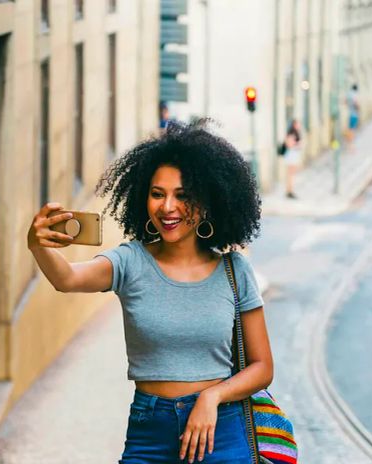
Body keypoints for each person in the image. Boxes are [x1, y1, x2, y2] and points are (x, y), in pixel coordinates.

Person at [27, 121, 273, 464]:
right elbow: (67, 278)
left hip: (221, 430)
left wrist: (212, 398)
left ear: (206, 202)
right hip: (149, 434)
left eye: (182, 195)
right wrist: (38, 246)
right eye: (158, 194)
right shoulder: (131, 261)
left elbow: (263, 367)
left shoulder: (235, 270)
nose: (167, 207)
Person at [283, 119, 303, 199]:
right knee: (290, 174)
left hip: (293, 155)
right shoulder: (291, 133)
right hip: (291, 155)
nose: (299, 126)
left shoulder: (296, 133)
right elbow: (289, 144)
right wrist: (297, 144)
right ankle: (289, 191)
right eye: (298, 124)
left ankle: (290, 190)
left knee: (292, 174)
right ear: (294, 125)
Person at [344, 84, 360, 151]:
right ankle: (351, 146)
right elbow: (356, 103)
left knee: (350, 129)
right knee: (352, 130)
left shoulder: (348, 94)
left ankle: (349, 145)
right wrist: (358, 107)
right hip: (354, 115)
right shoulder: (354, 95)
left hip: (350, 114)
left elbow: (344, 101)